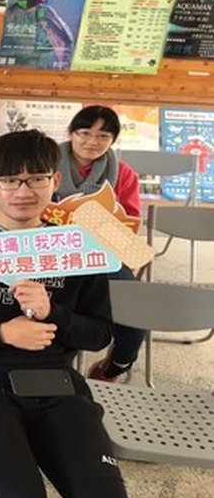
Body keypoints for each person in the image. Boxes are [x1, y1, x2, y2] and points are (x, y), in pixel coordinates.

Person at [0, 129, 132, 498]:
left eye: (36, 178)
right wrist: (1, 332)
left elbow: (99, 333)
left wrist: (54, 313)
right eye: (9, 180)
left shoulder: (74, 247)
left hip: (57, 383)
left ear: (55, 180)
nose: (23, 191)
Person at [59, 105, 144, 382]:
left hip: (103, 251)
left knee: (134, 301)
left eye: (103, 136)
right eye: (84, 133)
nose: (92, 142)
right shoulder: (45, 162)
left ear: (113, 140)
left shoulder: (124, 173)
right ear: (72, 133)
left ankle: (118, 363)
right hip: (51, 248)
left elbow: (130, 222)